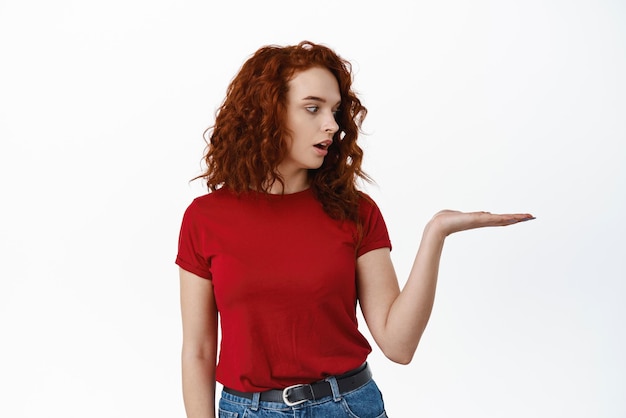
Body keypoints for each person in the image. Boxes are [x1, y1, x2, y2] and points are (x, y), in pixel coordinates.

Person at [176, 40, 534, 418]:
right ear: (267, 112)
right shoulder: (205, 218)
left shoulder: (356, 211)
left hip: (347, 406)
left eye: (334, 110)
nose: (331, 124)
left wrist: (436, 233)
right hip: (247, 410)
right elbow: (198, 349)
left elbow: (399, 345)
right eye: (312, 108)